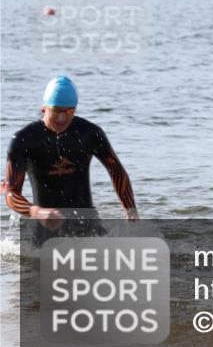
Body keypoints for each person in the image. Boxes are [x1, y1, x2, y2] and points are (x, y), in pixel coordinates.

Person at [2, 76, 139, 243]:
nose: (62, 118)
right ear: (44, 108)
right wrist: (36, 212)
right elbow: (11, 193)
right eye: (56, 110)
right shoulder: (24, 139)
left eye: (68, 111)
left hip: (88, 228)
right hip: (45, 233)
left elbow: (116, 170)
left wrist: (130, 212)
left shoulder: (89, 133)